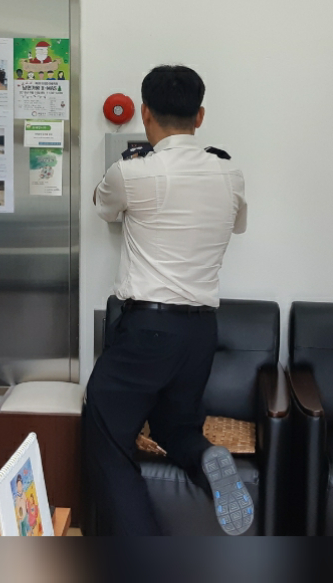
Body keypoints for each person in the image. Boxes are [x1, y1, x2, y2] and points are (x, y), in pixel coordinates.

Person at [83, 65, 250, 536]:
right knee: (174, 429)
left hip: (147, 329)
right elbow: (237, 224)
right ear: (200, 116)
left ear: (145, 113)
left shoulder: (131, 172)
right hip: (200, 332)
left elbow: (103, 206)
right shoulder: (229, 172)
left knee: (107, 437)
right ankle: (207, 458)